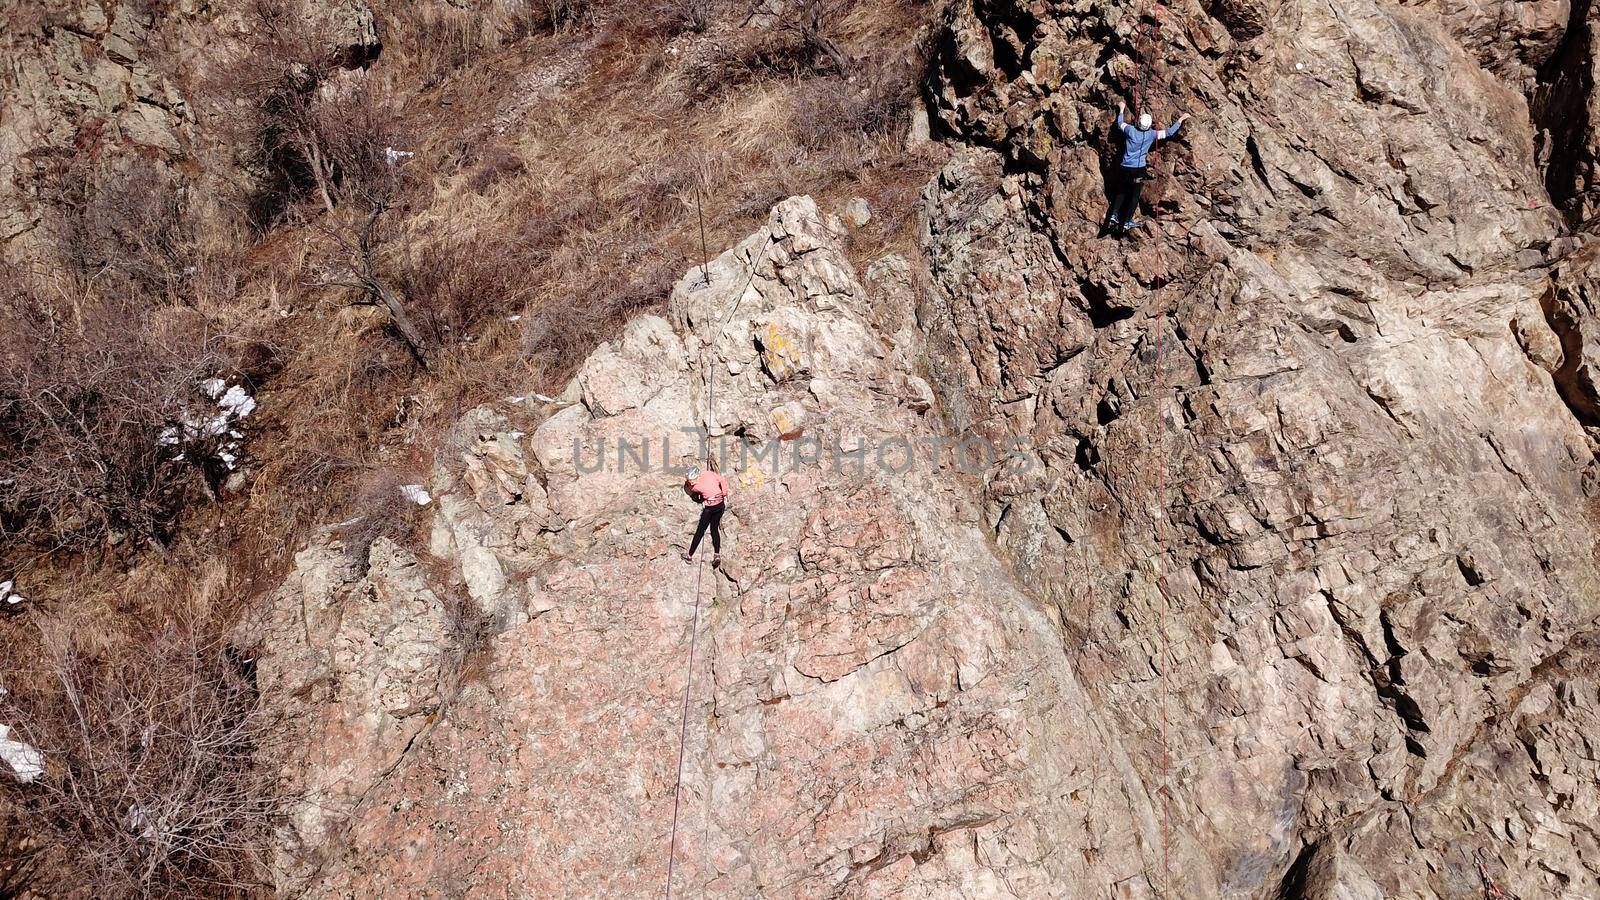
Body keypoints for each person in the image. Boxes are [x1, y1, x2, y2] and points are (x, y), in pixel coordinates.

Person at [1106, 100, 1189, 233]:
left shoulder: (1130, 130)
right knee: (1134, 195)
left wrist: (1121, 108)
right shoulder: (1151, 134)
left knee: (1121, 192)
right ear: (1149, 125)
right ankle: (1126, 221)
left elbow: (1120, 123)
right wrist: (1181, 119)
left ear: (1138, 123)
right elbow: (1168, 133)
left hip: (1124, 167)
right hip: (1137, 170)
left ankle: (1113, 215)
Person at [682, 458, 731, 566]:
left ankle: (689, 556)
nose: (692, 482)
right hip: (720, 505)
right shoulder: (709, 473)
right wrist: (724, 493)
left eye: (692, 480)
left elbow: (691, 490)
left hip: (710, 508)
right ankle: (717, 554)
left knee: (700, 531)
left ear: (696, 477)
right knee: (714, 529)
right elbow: (722, 480)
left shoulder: (695, 487)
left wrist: (691, 486)